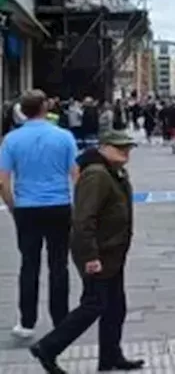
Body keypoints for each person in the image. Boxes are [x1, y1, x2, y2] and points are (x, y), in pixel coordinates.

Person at [29, 130, 143, 373]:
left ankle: (110, 356)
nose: (125, 152)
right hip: (99, 253)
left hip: (112, 253)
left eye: (127, 148)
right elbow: (83, 220)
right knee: (94, 304)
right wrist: (91, 256)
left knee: (115, 306)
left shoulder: (114, 172)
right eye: (119, 147)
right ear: (103, 148)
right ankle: (48, 347)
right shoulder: (97, 175)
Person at [0, 90, 79, 342]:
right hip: (59, 205)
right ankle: (61, 319)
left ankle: (26, 322)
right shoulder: (64, 136)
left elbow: (3, 182)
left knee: (29, 264)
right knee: (59, 265)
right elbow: (76, 175)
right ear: (45, 107)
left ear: (22, 110)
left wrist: (13, 206)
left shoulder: (11, 140)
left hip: (27, 208)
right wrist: (77, 206)